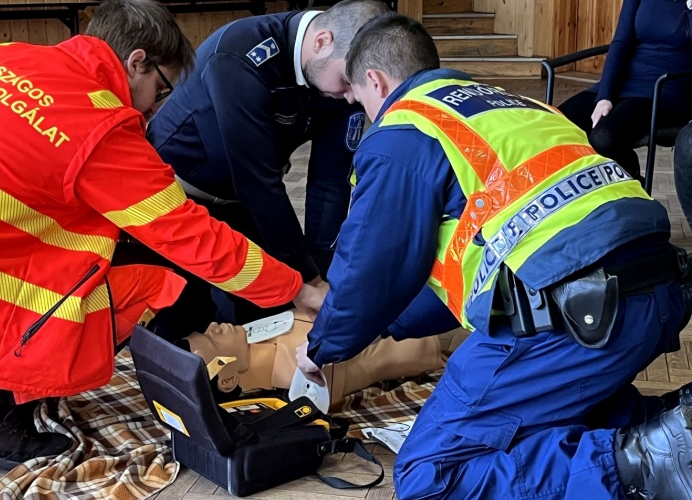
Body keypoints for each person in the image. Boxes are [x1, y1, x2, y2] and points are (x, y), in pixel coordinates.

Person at [295, 13, 692, 500]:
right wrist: (381, 325)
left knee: (430, 474)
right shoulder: (516, 106)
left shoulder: (403, 128)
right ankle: (673, 429)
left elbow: (368, 267)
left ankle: (643, 462)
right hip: (656, 291)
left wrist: (321, 345)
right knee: (554, 417)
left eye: (356, 98)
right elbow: (459, 277)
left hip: (577, 311)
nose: (361, 112)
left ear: (374, 81)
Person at [0, 0, 326, 470]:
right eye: (160, 90)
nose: (154, 108)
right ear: (137, 61)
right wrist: (295, 289)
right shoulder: (97, 121)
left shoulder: (4, 58)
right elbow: (190, 236)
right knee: (148, 275)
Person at [145, 0, 389, 332]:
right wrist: (307, 279)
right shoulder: (240, 53)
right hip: (177, 193)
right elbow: (259, 184)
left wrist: (320, 276)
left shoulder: (342, 81)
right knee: (186, 315)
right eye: (346, 80)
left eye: (357, 86)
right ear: (321, 42)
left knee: (270, 309)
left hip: (239, 198)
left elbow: (330, 183)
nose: (350, 96)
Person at [178, 309, 446, 406]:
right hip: (419, 331)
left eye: (206, 331)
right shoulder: (302, 374)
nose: (213, 326)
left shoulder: (258, 336)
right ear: (227, 380)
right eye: (213, 340)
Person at [558, 0, 692, 181]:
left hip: (668, 86)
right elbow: (621, 42)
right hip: (625, 80)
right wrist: (605, 95)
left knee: (604, 137)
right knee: (559, 124)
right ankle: (592, 188)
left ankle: (632, 178)